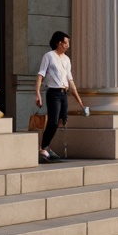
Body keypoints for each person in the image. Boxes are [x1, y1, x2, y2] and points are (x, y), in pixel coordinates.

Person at [34, 31, 84, 163]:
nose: (68, 45)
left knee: (62, 120)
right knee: (53, 121)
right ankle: (43, 148)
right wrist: (37, 93)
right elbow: (41, 75)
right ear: (59, 43)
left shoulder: (67, 60)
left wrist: (79, 100)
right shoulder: (49, 56)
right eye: (66, 42)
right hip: (53, 93)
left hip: (63, 93)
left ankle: (47, 147)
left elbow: (70, 81)